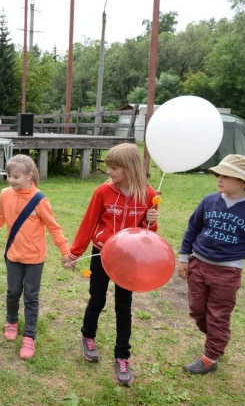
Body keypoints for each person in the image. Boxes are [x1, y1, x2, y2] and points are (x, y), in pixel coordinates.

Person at [63, 143, 159, 386]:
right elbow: (88, 224)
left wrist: (151, 220)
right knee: (97, 298)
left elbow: (147, 234)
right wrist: (74, 253)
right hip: (102, 254)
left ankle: (122, 356)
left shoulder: (148, 195)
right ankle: (88, 336)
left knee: (123, 306)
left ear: (129, 168)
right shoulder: (102, 192)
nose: (109, 172)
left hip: (129, 259)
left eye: (114, 168)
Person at [0, 154, 69, 359]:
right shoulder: (4, 194)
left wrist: (65, 252)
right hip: (13, 255)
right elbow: (0, 218)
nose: (11, 180)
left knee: (31, 296)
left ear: (29, 176)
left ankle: (29, 336)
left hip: (35, 258)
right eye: (9, 175)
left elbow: (54, 227)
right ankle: (11, 321)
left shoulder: (40, 200)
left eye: (16, 177)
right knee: (12, 291)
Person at [177, 154, 245, 375]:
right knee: (197, 310)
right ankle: (217, 340)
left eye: (227, 176)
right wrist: (183, 258)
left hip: (228, 271)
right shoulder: (209, 200)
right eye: (219, 174)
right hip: (199, 264)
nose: (219, 179)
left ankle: (211, 356)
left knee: (218, 314)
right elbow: (192, 229)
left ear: (244, 181)